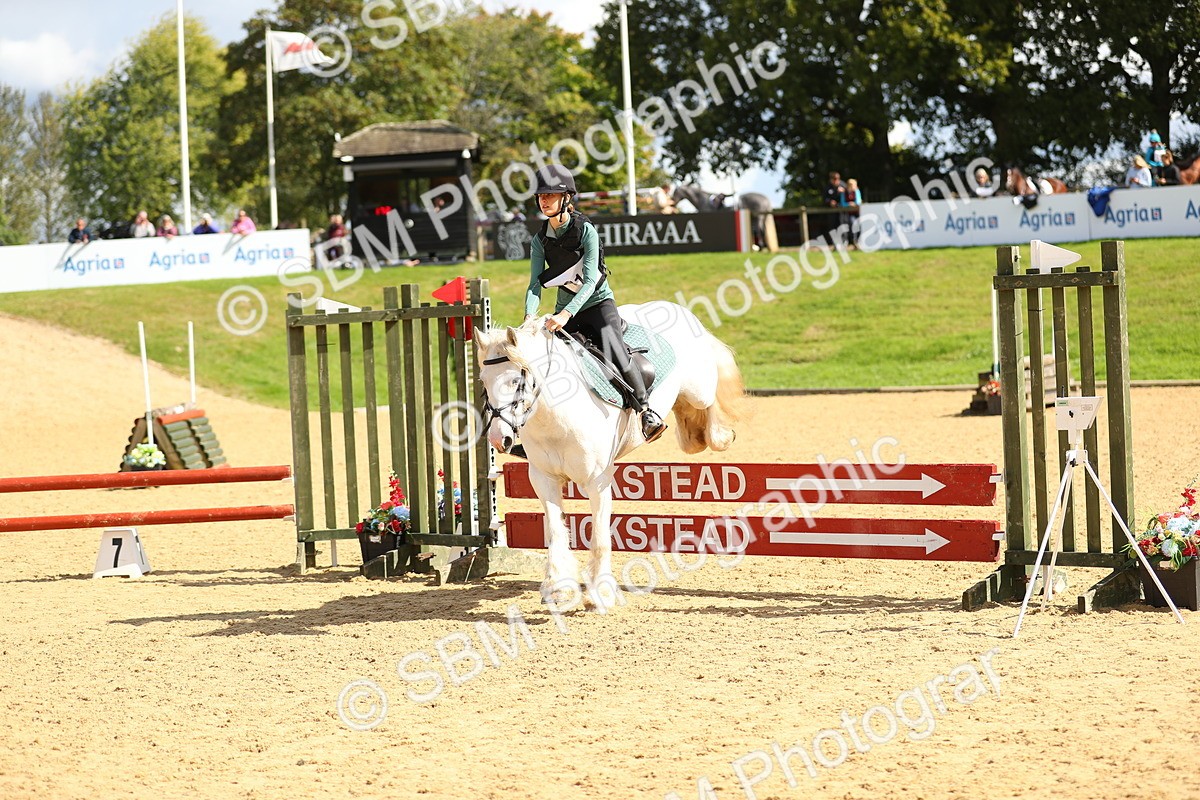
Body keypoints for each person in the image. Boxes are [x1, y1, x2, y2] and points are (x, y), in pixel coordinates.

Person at [523, 164, 666, 443]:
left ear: (566, 197)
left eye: (550, 195)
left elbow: (590, 281)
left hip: (598, 305)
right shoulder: (540, 240)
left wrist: (565, 314)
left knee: (615, 351)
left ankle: (646, 411)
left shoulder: (585, 230)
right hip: (566, 311)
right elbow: (534, 285)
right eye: (541, 196)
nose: (544, 200)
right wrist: (529, 318)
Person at [820, 171, 848, 246]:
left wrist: (844, 192)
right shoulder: (827, 188)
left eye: (837, 179)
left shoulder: (843, 185)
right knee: (832, 226)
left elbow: (850, 195)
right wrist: (830, 202)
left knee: (842, 224)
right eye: (834, 179)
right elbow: (824, 199)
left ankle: (844, 241)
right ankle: (835, 242)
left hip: (842, 211)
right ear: (831, 179)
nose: (836, 180)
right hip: (831, 211)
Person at [842, 178, 862, 248]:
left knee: (859, 226)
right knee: (853, 224)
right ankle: (854, 241)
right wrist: (849, 204)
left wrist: (854, 203)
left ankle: (857, 241)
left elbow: (858, 202)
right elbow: (843, 203)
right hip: (848, 214)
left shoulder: (856, 191)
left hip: (857, 212)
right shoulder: (844, 192)